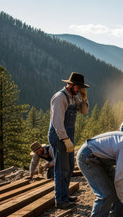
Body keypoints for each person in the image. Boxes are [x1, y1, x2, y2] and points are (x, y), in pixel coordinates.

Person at [48, 72, 89, 209]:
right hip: (59, 136)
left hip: (68, 136)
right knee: (61, 167)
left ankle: (65, 195)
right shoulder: (60, 98)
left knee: (70, 166)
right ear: (70, 85)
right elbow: (57, 122)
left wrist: (84, 99)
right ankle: (60, 200)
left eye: (81, 88)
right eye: (79, 87)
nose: (80, 90)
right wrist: (65, 139)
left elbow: (83, 111)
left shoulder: (73, 97)